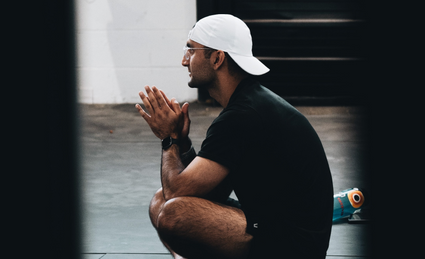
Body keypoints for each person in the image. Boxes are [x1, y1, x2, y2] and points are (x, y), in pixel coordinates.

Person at [135, 14, 333, 259]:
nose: (184, 61)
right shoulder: (246, 105)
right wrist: (183, 142)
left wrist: (169, 139)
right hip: (273, 225)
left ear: (217, 58)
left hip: (294, 245)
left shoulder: (243, 115)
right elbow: (211, 190)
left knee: (174, 213)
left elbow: (177, 192)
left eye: (191, 50)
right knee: (160, 201)